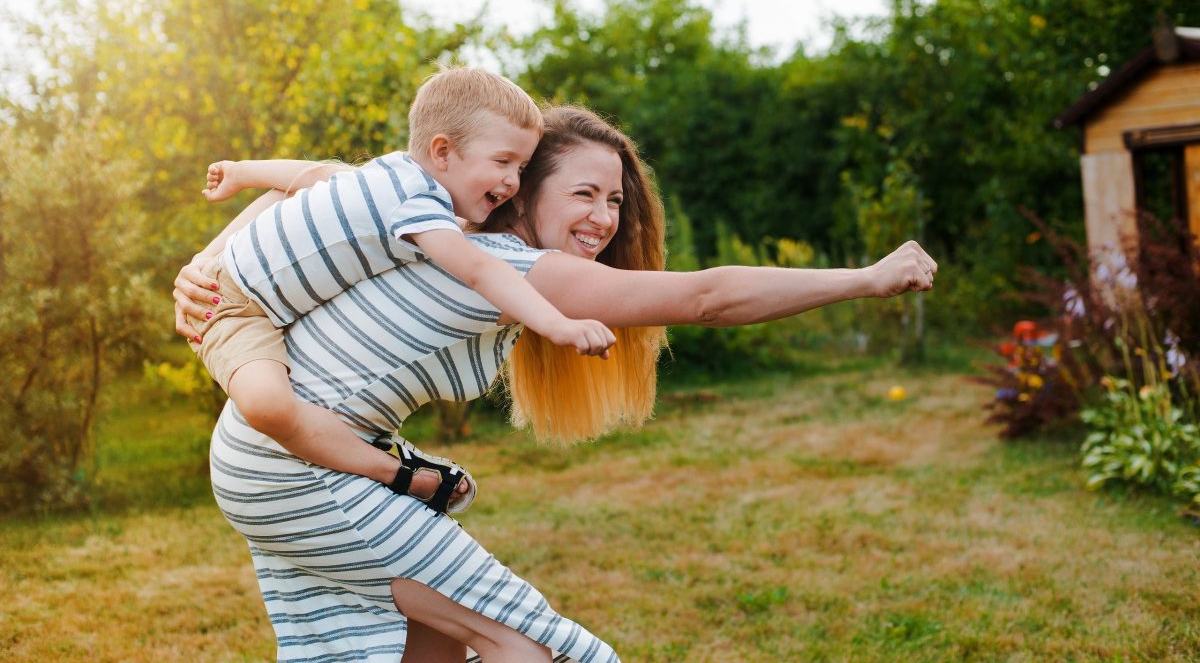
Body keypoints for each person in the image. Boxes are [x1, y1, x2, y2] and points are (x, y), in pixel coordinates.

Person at [175, 105, 938, 662]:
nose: (605, 218)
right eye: (584, 194)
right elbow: (710, 296)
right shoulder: (507, 264)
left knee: (433, 648)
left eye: (615, 200)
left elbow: (319, 186)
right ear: (517, 188)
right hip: (298, 468)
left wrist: (207, 264)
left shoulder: (425, 225)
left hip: (288, 459)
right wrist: (865, 279)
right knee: (530, 647)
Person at [183, 67, 616, 512]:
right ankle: (397, 472)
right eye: (503, 162)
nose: (513, 182)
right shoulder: (417, 201)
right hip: (229, 306)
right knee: (269, 407)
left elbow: (312, 175)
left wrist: (241, 171)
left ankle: (385, 461)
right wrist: (557, 324)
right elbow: (479, 270)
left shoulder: (394, 174)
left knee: (279, 404)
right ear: (443, 152)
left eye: (522, 168)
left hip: (257, 301)